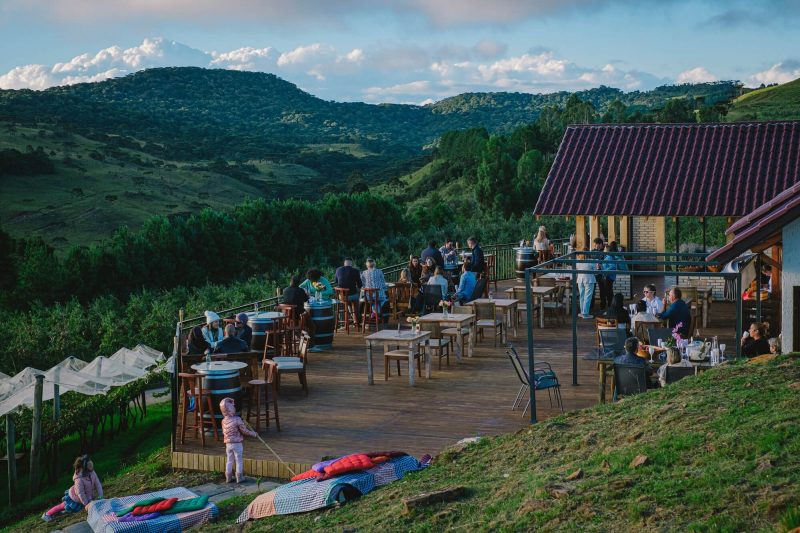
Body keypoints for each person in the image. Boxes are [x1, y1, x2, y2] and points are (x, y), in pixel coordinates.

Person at [42, 455, 103, 521]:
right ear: (84, 467)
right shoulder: (79, 479)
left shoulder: (92, 472)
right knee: (63, 505)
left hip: (85, 497)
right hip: (75, 497)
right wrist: (87, 504)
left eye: (91, 465)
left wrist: (100, 495)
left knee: (71, 509)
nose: (92, 467)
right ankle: (47, 514)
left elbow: (98, 484)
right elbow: (80, 493)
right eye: (89, 466)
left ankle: (63, 512)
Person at [220, 397, 258, 484]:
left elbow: (223, 432)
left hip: (228, 444)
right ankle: (239, 477)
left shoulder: (223, 421)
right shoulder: (237, 419)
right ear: (231, 410)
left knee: (229, 460)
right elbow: (244, 431)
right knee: (238, 460)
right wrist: (254, 433)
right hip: (237, 443)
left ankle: (228, 477)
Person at [576, 250, 596, 319]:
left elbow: (576, 269)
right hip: (589, 279)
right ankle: (585, 313)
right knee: (587, 297)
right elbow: (595, 271)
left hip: (580, 280)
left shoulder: (578, 262)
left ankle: (582, 312)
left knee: (581, 296)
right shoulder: (592, 261)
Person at [591, 237, 606, 311]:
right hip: (593, 273)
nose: (595, 246)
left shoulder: (604, 252)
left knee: (602, 290)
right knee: (592, 290)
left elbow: (606, 263)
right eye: (594, 244)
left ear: (600, 244)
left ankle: (603, 306)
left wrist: (601, 264)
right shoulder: (592, 251)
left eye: (596, 244)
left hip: (601, 273)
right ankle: (591, 306)